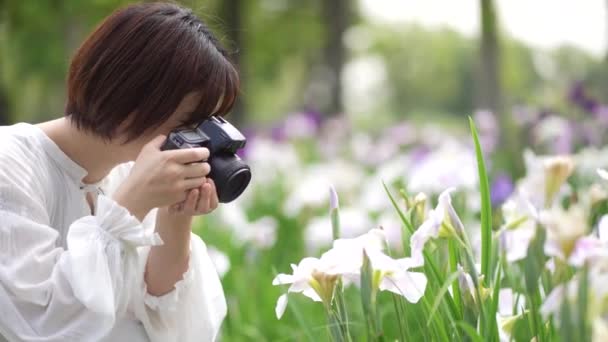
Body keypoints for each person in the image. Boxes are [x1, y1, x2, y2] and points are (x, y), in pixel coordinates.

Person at [0, 2, 239, 341]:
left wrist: (176, 215)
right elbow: (43, 323)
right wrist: (127, 208)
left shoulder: (128, 171)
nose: (196, 142)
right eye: (189, 124)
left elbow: (166, 321)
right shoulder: (9, 163)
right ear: (132, 95)